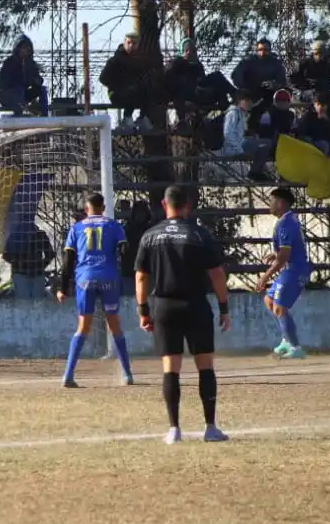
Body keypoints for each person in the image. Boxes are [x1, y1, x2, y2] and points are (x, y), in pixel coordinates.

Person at [134, 184, 231, 444]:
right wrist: (224, 308)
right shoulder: (199, 235)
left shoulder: (150, 236)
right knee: (205, 366)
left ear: (165, 205)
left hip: (164, 307)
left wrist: (143, 310)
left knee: (171, 369)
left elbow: (141, 276)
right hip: (196, 305)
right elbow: (217, 274)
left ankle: (174, 429)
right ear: (187, 205)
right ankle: (210, 428)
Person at [57, 193, 134, 387]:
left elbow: (67, 261)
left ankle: (68, 375)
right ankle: (127, 374)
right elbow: (125, 253)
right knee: (114, 324)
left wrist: (62, 288)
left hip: (85, 279)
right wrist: (128, 279)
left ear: (86, 209)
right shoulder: (114, 226)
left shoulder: (76, 228)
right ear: (104, 208)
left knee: (83, 326)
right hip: (108, 277)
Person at [257, 187, 310, 360]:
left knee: (280, 307)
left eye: (272, 200)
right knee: (269, 300)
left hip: (295, 270)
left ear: (281, 203)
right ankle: (287, 340)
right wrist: (275, 253)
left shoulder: (286, 223)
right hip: (291, 268)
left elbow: (284, 257)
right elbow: (287, 250)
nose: (269, 204)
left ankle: (295, 347)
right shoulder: (288, 220)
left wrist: (265, 276)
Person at [0, 35, 46, 116]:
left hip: (22, 93)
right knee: (19, 90)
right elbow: (5, 82)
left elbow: (38, 78)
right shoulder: (9, 63)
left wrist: (36, 81)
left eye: (27, 49)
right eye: (23, 48)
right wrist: (21, 81)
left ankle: (43, 114)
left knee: (41, 90)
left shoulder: (31, 64)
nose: (25, 51)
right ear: (17, 49)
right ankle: (18, 118)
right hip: (7, 95)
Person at [231, 37, 288, 105]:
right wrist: (245, 87)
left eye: (266, 50)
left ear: (270, 50)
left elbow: (282, 82)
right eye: (260, 49)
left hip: (267, 96)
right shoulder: (247, 61)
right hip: (247, 94)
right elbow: (235, 77)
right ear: (256, 50)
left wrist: (273, 84)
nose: (262, 52)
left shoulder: (275, 64)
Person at [2, 223, 54, 299]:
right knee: (35, 302)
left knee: (27, 302)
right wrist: (40, 265)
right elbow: (6, 255)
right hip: (26, 273)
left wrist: (18, 264)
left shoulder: (15, 235)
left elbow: (6, 255)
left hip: (26, 273)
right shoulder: (16, 235)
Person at [292, 92, 330, 156]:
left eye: (323, 105)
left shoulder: (327, 119)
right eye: (319, 104)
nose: (321, 107)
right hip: (311, 143)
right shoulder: (309, 116)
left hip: (322, 143)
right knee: (322, 144)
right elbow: (302, 130)